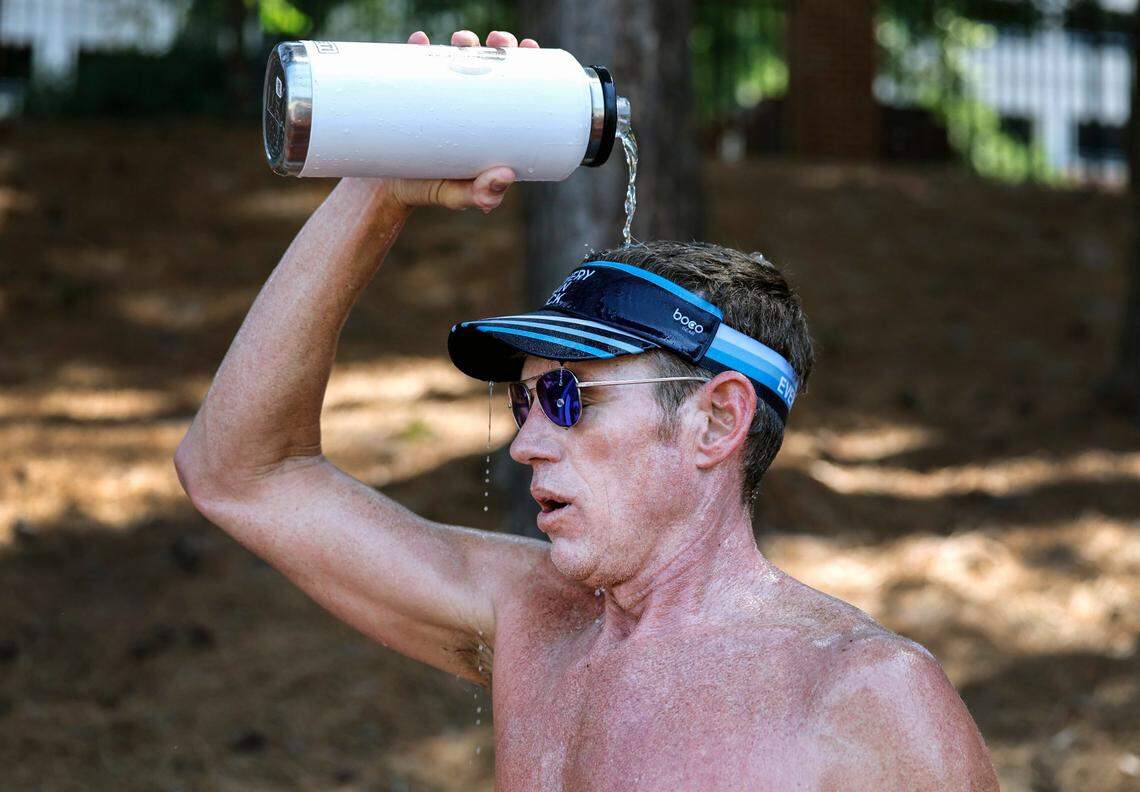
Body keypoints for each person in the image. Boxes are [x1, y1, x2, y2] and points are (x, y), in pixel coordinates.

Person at [174, 28, 999, 791]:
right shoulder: (531, 617)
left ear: (716, 420)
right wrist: (379, 185)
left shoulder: (866, 696)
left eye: (570, 397)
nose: (526, 442)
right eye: (525, 399)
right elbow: (238, 472)